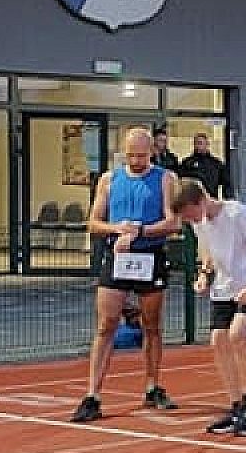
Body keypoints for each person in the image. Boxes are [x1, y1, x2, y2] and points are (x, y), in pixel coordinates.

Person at [72, 126, 179, 422]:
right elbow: (93, 222)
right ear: (124, 151)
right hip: (117, 255)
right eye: (131, 155)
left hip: (150, 255)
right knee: (106, 324)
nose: (136, 161)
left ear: (152, 152)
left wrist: (141, 231)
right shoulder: (109, 179)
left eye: (142, 156)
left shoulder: (166, 178)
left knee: (152, 324)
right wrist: (119, 229)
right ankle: (92, 394)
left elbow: (173, 222)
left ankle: (153, 385)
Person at [173, 181, 246, 438]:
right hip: (225, 285)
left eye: (190, 214)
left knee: (238, 334)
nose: (190, 221)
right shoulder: (199, 223)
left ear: (200, 201)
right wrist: (204, 274)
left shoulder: (237, 213)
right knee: (218, 339)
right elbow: (208, 251)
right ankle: (236, 404)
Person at [177, 131, 230, 199]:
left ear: (207, 144)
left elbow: (226, 185)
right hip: (191, 202)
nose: (198, 146)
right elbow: (180, 182)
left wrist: (226, 201)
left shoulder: (216, 164)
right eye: (196, 143)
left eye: (200, 143)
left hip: (210, 201)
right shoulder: (186, 163)